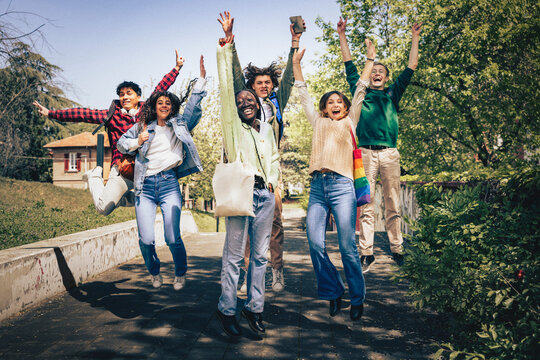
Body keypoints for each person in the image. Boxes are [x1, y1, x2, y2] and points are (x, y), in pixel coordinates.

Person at [33, 51, 185, 216]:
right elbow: (82, 114)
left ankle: (123, 197)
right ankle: (94, 176)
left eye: (129, 93)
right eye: (121, 94)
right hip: (122, 168)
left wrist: (176, 68)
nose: (124, 97)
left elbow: (160, 88)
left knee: (153, 199)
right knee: (103, 208)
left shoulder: (146, 111)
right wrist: (51, 114)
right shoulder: (111, 116)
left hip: (145, 170)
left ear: (138, 96)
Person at [218, 11, 303, 293]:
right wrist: (231, 43)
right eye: (259, 83)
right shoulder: (244, 105)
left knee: (275, 223)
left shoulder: (276, 104)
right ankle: (244, 275)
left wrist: (294, 42)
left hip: (269, 172)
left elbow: (290, 76)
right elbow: (233, 76)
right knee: (243, 223)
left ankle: (277, 271)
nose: (264, 86)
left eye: (268, 82)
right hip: (243, 171)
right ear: (250, 88)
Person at [292, 36, 375, 320]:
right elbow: (302, 91)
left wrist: (369, 61)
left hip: (342, 187)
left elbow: (361, 88)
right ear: (324, 108)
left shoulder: (351, 120)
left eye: (340, 101)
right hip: (317, 187)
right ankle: (333, 291)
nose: (336, 104)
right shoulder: (318, 122)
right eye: (330, 102)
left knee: (347, 247)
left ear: (345, 106)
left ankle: (357, 298)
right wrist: (295, 63)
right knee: (314, 244)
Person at [337, 18, 422, 271]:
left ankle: (397, 247)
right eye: (373, 71)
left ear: (386, 78)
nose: (376, 74)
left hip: (389, 155)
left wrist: (414, 37)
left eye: (380, 72)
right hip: (364, 154)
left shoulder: (391, 94)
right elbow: (349, 65)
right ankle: (367, 251)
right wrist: (342, 35)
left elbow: (412, 65)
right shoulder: (359, 91)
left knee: (393, 203)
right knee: (366, 204)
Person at [116, 55, 207, 290]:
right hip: (144, 186)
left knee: (173, 237)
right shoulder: (142, 127)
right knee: (146, 240)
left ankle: (180, 273)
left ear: (172, 107)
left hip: (168, 184)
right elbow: (121, 144)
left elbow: (193, 107)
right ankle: (154, 272)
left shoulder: (181, 124)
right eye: (160, 103)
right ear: (154, 107)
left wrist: (201, 81)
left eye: (168, 103)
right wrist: (137, 141)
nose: (164, 105)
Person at [215, 34, 280, 337]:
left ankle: (255, 308)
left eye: (250, 100)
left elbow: (276, 159)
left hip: (264, 196)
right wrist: (225, 49)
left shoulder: (266, 129)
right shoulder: (233, 126)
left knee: (261, 256)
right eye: (240, 102)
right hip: (239, 194)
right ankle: (227, 309)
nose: (244, 103)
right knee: (233, 255)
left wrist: (273, 182)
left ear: (258, 104)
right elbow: (228, 90)